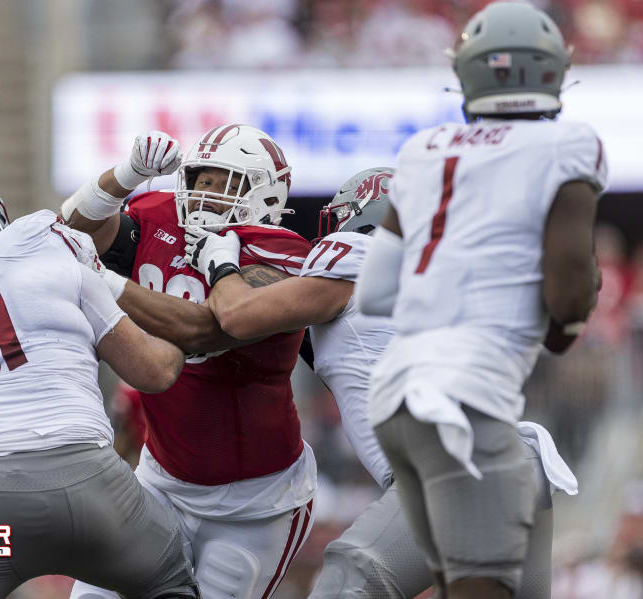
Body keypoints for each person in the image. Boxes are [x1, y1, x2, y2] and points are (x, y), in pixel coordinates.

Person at [184, 166, 579, 599]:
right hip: (518, 463)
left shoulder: (355, 252)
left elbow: (239, 316)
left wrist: (220, 262)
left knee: (350, 576)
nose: (332, 228)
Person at [354, 3, 608, 598]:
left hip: (394, 400)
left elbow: (376, 292)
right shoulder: (568, 145)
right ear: (553, 73)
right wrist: (564, 323)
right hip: (464, 400)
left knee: (468, 584)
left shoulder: (424, 150)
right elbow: (569, 293)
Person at [0, 172, 198, 599]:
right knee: (172, 578)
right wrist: (191, 336)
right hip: (92, 481)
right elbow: (154, 372)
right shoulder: (45, 243)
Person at [62, 125, 317, 599]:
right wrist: (123, 176)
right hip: (162, 478)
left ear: (266, 193)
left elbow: (200, 331)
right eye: (203, 179)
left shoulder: (282, 252)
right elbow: (69, 234)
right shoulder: (159, 217)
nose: (208, 194)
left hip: (255, 502)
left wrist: (102, 282)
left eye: (227, 182)